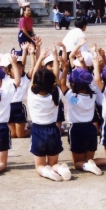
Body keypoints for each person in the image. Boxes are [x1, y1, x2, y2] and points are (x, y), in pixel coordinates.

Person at [27, 47, 71, 182]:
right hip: (53, 129)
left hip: (38, 130)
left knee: (39, 165)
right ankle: (60, 169)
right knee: (54, 163)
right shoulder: (56, 93)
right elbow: (56, 76)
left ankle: (45, 171)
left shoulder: (32, 95)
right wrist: (55, 57)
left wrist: (40, 58)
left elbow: (33, 77)